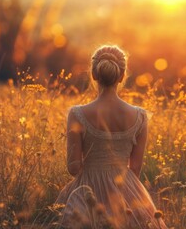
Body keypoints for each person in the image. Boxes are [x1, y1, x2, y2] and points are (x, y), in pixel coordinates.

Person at [54, 45, 167, 228]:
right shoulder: (140, 116)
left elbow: (73, 168)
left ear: (94, 74)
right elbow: (136, 168)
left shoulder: (77, 114)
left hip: (86, 192)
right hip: (126, 190)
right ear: (122, 76)